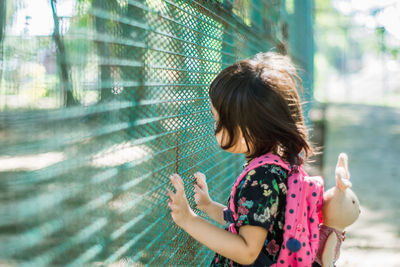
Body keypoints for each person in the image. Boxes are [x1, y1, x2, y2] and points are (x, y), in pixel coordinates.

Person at [166, 51, 314, 266]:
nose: (215, 129)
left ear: (246, 129)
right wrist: (208, 206)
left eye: (218, 121)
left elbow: (247, 251)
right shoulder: (276, 166)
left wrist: (189, 220)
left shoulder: (261, 178)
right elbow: (248, 221)